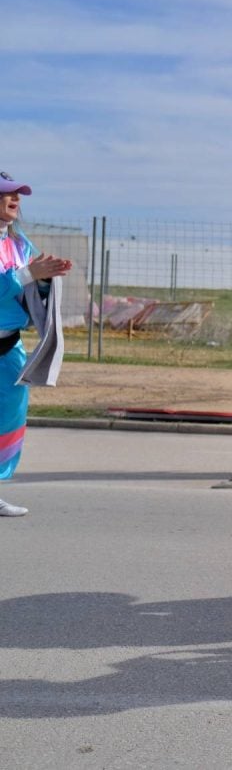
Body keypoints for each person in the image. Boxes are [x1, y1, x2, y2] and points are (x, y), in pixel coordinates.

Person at [1, 171, 74, 517]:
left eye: (17, 194)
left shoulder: (19, 244)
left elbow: (28, 290)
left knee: (9, 420)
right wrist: (30, 274)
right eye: (6, 194)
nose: (14, 199)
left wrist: (46, 279)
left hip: (8, 348)